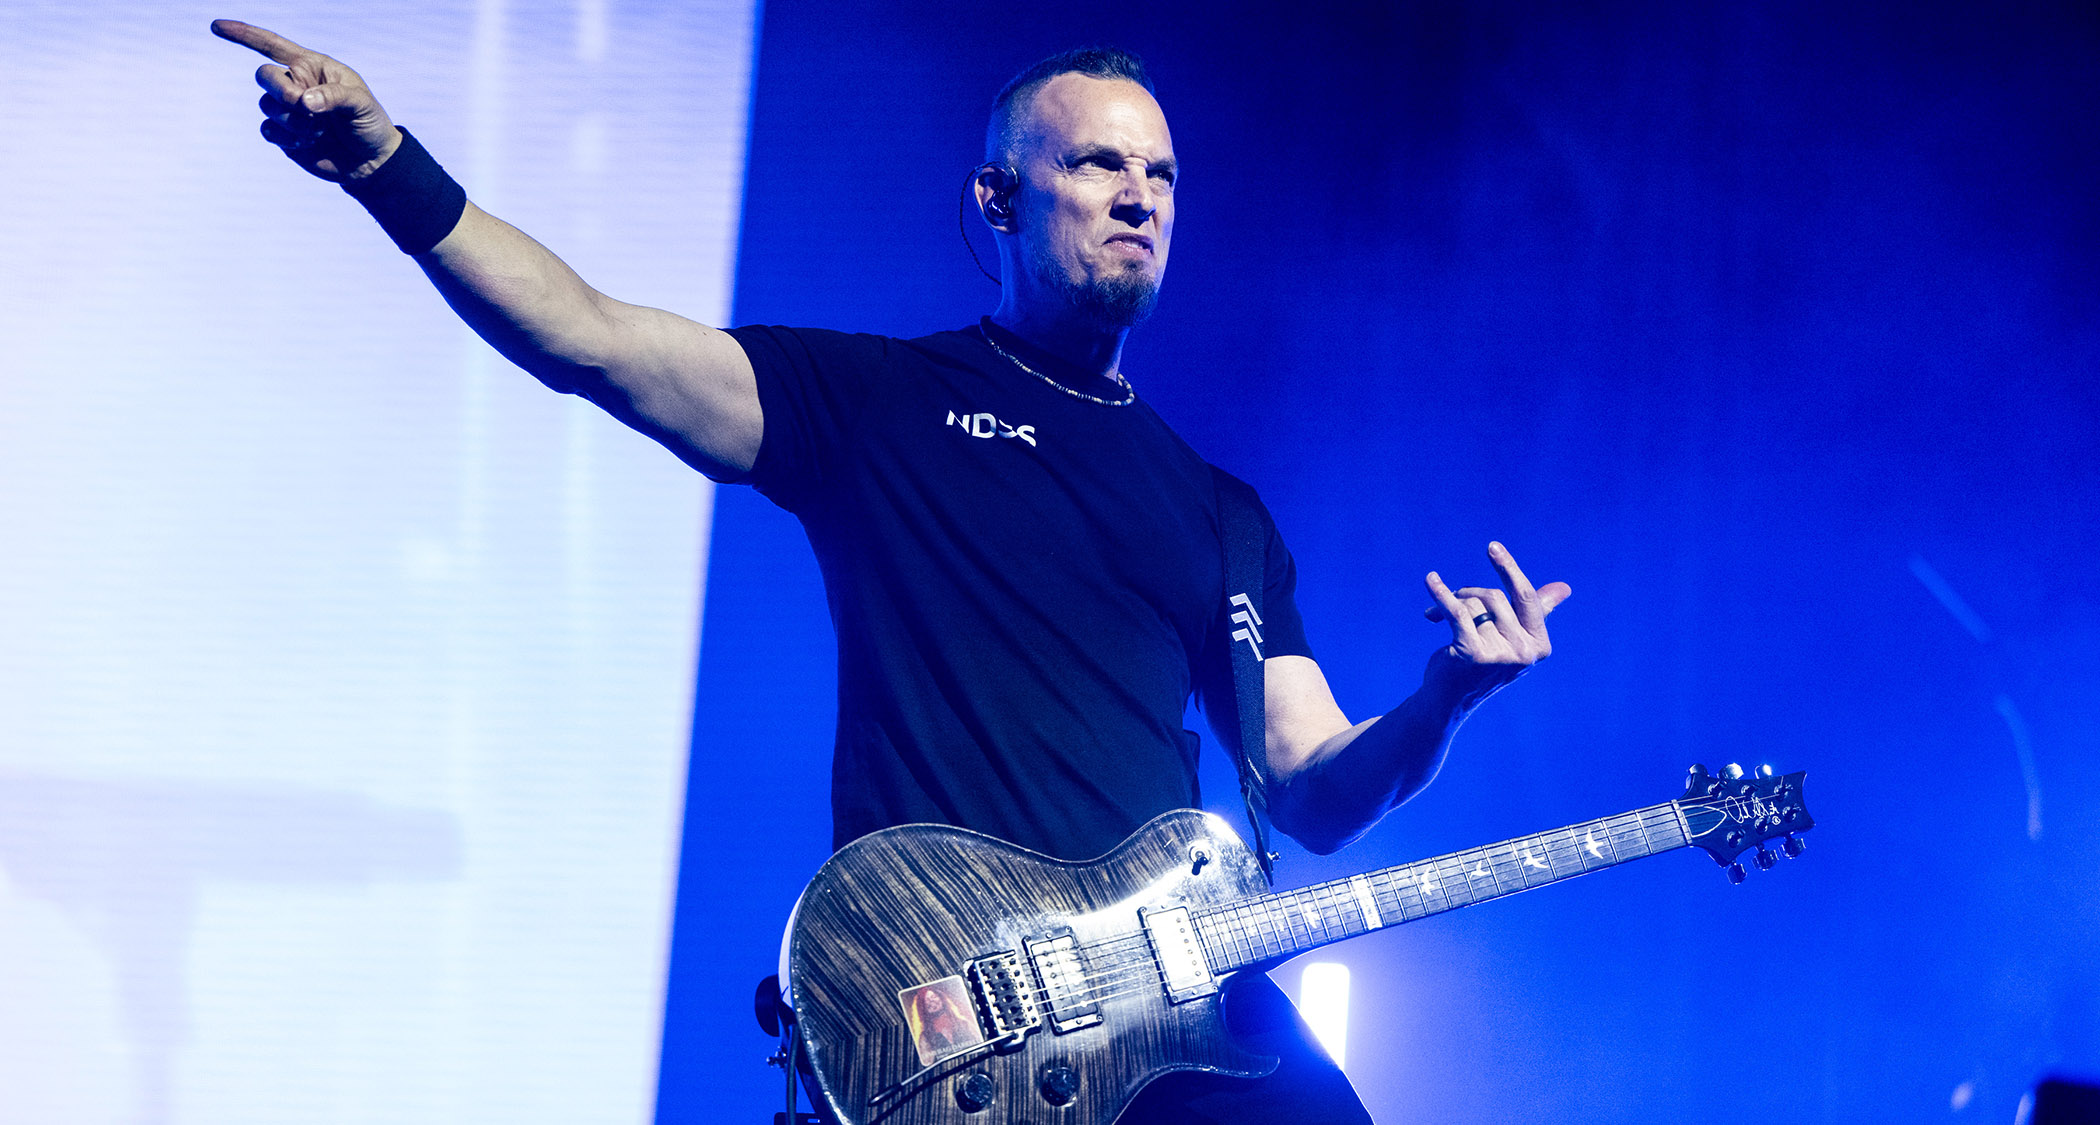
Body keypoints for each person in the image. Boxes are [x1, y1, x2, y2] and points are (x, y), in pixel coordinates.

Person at [214, 20, 1571, 1122]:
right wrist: (388, 167)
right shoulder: (879, 401)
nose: (1139, 196)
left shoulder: (1225, 513)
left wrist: (1443, 699)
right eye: (1098, 164)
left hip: (1170, 1003)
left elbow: (1312, 788)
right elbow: (591, 338)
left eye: (1161, 174)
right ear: (999, 198)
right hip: (965, 1013)